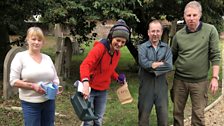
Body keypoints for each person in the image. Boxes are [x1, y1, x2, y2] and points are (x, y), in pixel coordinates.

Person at [171, 1, 221, 126]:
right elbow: (171, 57)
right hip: (179, 81)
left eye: (194, 15)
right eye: (188, 15)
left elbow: (215, 55)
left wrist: (215, 77)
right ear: (184, 16)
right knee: (177, 113)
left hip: (199, 82)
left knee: (198, 115)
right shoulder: (178, 35)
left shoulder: (210, 30)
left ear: (200, 15)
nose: (191, 18)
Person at [79, 19, 131, 126]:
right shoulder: (100, 48)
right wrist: (85, 82)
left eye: (123, 42)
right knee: (88, 121)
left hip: (103, 91)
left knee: (98, 120)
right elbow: (85, 65)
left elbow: (109, 70)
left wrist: (118, 78)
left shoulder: (117, 53)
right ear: (111, 37)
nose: (120, 44)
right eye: (118, 40)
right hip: (90, 89)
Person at [10, 27, 60, 126]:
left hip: (49, 101)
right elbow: (13, 81)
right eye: (33, 39)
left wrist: (56, 87)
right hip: (30, 103)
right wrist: (33, 86)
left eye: (39, 40)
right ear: (27, 40)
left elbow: (55, 78)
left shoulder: (47, 58)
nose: (36, 42)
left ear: (42, 42)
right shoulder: (20, 57)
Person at [138, 20, 173, 126]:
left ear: (161, 32)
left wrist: (152, 65)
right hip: (146, 86)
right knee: (143, 118)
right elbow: (143, 63)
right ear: (148, 32)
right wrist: (159, 64)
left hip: (162, 86)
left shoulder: (166, 48)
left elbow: (169, 65)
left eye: (158, 31)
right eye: (153, 31)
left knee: (163, 118)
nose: (155, 34)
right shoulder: (142, 47)